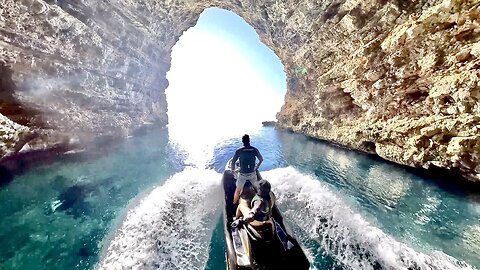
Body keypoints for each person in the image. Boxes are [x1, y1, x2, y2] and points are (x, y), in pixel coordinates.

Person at [231, 134, 263, 204]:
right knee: (257, 189)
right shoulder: (254, 149)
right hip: (252, 174)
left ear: (242, 141)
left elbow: (233, 162)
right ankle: (261, 201)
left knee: (237, 191)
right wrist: (257, 166)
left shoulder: (239, 151)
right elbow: (261, 159)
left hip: (242, 175)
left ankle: (234, 203)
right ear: (249, 141)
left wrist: (233, 171)